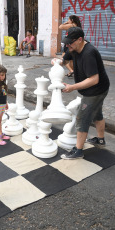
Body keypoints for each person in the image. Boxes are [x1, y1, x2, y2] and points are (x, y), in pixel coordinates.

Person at [55, 27, 110, 160]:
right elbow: (65, 59)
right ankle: (100, 140)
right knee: (97, 114)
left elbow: (94, 79)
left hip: (96, 90)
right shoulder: (73, 48)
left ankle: (78, 151)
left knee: (82, 117)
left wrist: (73, 87)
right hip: (97, 88)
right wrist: (58, 62)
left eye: (70, 42)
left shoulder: (88, 53)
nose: (67, 45)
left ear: (80, 40)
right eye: (66, 43)